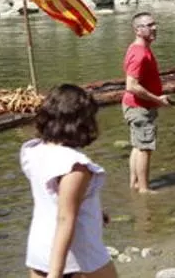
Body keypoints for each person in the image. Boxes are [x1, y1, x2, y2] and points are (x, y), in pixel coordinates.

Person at [22, 85, 118, 278]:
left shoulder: (32, 151)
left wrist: (96, 212)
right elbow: (66, 218)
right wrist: (55, 274)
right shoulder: (75, 166)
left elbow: (53, 196)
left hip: (40, 247)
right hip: (76, 256)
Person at [123, 12, 173, 194]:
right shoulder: (139, 54)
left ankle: (134, 184)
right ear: (137, 30)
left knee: (137, 146)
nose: (154, 28)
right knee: (145, 148)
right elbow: (132, 86)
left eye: (154, 24)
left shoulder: (141, 49)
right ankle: (144, 189)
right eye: (149, 25)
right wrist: (157, 99)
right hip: (139, 107)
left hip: (136, 105)